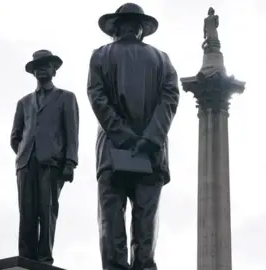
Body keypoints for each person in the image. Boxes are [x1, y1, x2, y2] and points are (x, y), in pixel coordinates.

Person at [87, 3, 180, 270]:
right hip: (152, 154)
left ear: (115, 27)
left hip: (112, 151)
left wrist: (123, 135)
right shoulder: (162, 59)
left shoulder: (100, 55)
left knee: (111, 222)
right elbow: (170, 99)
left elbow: (97, 97)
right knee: (146, 223)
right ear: (141, 29)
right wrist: (151, 137)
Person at [10, 49, 79, 265]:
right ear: (33, 73)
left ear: (53, 71)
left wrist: (69, 162)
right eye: (37, 66)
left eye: (46, 65)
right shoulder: (24, 102)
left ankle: (44, 258)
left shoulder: (66, 98)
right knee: (26, 212)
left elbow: (72, 132)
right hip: (26, 163)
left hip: (52, 163)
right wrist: (24, 153)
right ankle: (26, 258)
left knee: (47, 211)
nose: (41, 68)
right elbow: (15, 136)